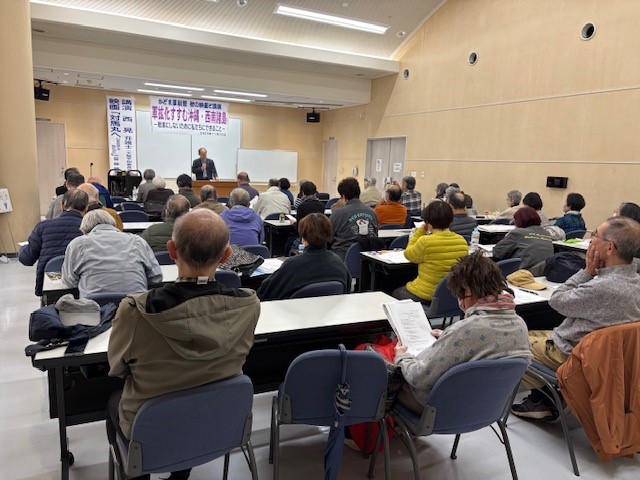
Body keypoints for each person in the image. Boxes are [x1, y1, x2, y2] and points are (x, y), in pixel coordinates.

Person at [106, 209, 260, 480]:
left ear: (171, 250)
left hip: (152, 429)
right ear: (226, 256)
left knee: (112, 402)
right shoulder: (248, 305)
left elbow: (117, 367)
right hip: (217, 421)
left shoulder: (135, 311)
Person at [512, 216, 640, 421]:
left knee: (512, 341)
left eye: (595, 234)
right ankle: (547, 398)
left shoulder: (602, 287)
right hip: (608, 360)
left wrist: (587, 271)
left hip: (572, 355)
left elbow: (557, 300)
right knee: (535, 330)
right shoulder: (635, 282)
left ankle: (550, 396)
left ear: (609, 248)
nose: (591, 239)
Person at [393, 251, 532, 413]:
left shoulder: (464, 331)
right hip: (487, 408)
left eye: (459, 294)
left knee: (384, 366)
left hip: (440, 409)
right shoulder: (519, 324)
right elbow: (486, 344)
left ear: (467, 291)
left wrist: (402, 357)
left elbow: (419, 377)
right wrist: (448, 336)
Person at [62, 209, 162, 297]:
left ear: (84, 231)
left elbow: (69, 281)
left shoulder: (78, 244)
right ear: (114, 225)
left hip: (94, 308)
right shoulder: (137, 241)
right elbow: (156, 277)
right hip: (135, 306)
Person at [258, 213, 351, 300]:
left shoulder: (292, 265)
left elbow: (265, 293)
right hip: (330, 310)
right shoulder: (339, 263)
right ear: (329, 234)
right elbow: (346, 292)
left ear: (303, 237)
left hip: (293, 311)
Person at [392, 201, 468, 303]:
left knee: (396, 292)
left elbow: (408, 254)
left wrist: (419, 232)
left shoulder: (425, 241)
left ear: (428, 221)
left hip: (426, 294)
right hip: (451, 293)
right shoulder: (462, 241)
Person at [19, 189, 88, 296]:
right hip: (80, 286)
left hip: (49, 286)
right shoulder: (89, 229)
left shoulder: (42, 227)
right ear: (86, 208)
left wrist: (23, 249)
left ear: (62, 205)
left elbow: (26, 259)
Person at [330, 177, 378, 260]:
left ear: (343, 196)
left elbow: (329, 238)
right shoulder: (372, 213)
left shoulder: (337, 214)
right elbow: (375, 235)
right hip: (367, 260)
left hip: (342, 259)